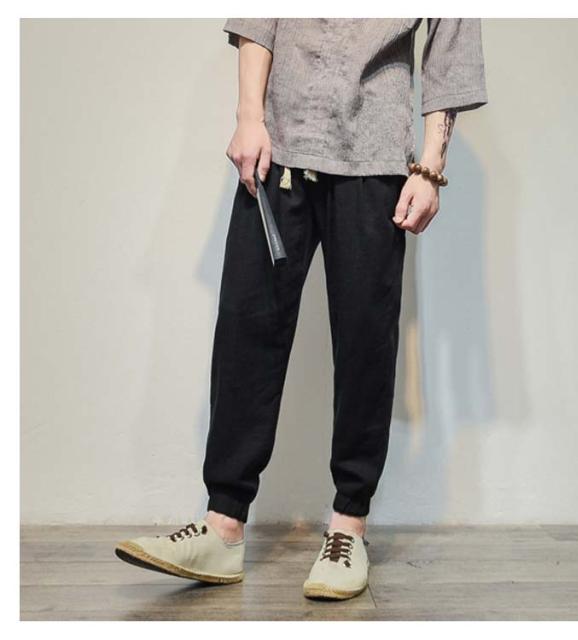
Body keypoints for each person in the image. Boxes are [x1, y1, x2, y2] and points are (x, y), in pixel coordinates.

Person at [115, 18, 487, 601]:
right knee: (246, 330)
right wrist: (249, 117)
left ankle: (348, 527)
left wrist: (430, 166)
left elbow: (451, 42)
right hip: (278, 149)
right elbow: (260, 18)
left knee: (365, 343)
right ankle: (222, 526)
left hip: (374, 159)